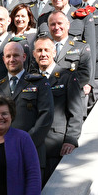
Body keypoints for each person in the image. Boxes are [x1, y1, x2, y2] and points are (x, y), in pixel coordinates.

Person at [0, 41, 53, 166]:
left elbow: (46, 116)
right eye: (8, 56)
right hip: (2, 154)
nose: (12, 59)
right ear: (3, 59)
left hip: (31, 151)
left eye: (16, 55)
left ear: (24, 57)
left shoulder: (39, 83)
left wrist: (25, 143)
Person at [32, 36, 85, 182]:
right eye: (39, 50)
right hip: (34, 145)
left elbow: (76, 111)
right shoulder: (29, 79)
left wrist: (71, 139)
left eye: (46, 50)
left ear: (54, 52)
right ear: (34, 54)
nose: (43, 54)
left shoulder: (67, 77)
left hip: (56, 145)